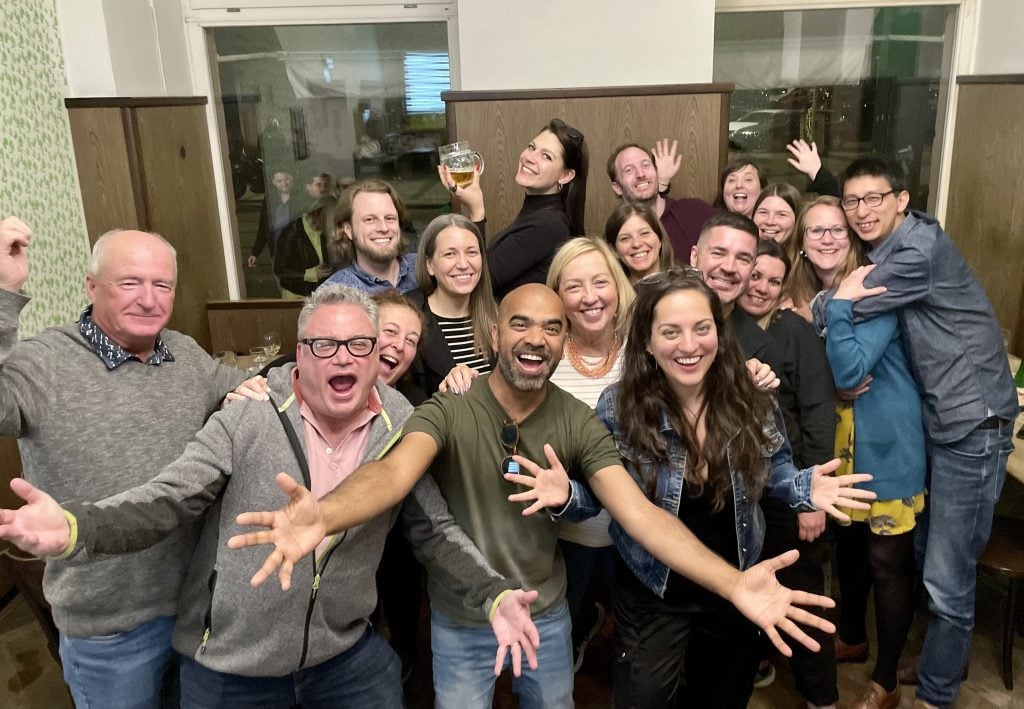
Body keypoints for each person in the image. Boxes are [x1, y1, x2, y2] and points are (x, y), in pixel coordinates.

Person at [225, 284, 873, 708]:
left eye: (551, 326)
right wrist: (325, 511)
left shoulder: (578, 416)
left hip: (557, 608)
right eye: (520, 323)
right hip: (468, 618)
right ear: (494, 334)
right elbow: (395, 475)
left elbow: (642, 512)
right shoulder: (452, 405)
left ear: (565, 340)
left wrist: (739, 576)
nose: (535, 336)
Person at [0, 285, 541, 707]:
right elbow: (168, 499)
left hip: (342, 653)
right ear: (300, 353)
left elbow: (433, 529)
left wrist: (492, 593)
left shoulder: (402, 425)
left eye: (359, 345)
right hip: (229, 662)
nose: (343, 359)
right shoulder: (248, 415)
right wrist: (77, 527)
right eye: (324, 345)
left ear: (379, 355)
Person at [0, 218, 253, 708]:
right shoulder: (45, 361)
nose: (148, 298)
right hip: (109, 626)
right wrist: (3, 292)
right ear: (92, 286)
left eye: (162, 284)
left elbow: (239, 385)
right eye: (129, 283)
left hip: (196, 605)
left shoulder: (184, 352)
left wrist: (255, 387)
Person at [594, 268, 871, 707]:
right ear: (647, 341)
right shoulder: (617, 406)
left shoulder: (750, 395)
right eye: (671, 332)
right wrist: (566, 497)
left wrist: (803, 488)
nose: (689, 346)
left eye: (702, 328)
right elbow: (607, 495)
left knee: (722, 695)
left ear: (719, 335)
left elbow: (773, 469)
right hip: (654, 587)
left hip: (740, 578)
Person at [823, 159, 1017, 708]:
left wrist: (826, 303)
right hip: (943, 420)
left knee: (947, 575)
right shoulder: (894, 246)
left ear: (901, 200)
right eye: (851, 202)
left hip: (972, 421)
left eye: (874, 199)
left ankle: (935, 694)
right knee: (929, 555)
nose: (862, 211)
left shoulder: (914, 253)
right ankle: (939, 662)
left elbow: (847, 311)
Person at [739, 239, 838, 708]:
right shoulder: (718, 327)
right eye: (753, 275)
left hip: (791, 485)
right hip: (740, 490)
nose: (759, 287)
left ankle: (821, 696)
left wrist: (810, 497)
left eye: (772, 281)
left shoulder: (795, 331)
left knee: (801, 595)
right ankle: (755, 661)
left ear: (783, 290)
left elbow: (819, 411)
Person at [545, 237, 635, 670]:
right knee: (561, 636)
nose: (590, 297)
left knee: (636, 650)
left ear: (618, 289)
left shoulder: (647, 351)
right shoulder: (541, 357)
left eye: (600, 282)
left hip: (636, 530)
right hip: (565, 534)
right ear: (557, 296)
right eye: (574, 286)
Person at [442, 118, 588, 299]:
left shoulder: (548, 224)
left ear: (566, 175)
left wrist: (477, 211)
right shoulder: (540, 212)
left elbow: (480, 280)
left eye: (546, 156)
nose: (529, 157)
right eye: (532, 147)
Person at [412, 214, 497, 395]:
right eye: (450, 254)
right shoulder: (410, 317)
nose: (463, 264)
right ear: (429, 265)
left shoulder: (498, 314)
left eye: (471, 252)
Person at [606, 140, 715, 258]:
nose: (641, 174)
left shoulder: (696, 212)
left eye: (646, 165)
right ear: (617, 188)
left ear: (656, 172)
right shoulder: (617, 234)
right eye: (629, 170)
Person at [321, 179, 418, 294]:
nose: (384, 228)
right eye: (369, 219)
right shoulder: (334, 295)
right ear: (348, 230)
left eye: (389, 218)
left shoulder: (427, 269)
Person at [273, 195, 334, 298]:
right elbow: (280, 270)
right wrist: (311, 274)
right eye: (329, 220)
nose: (330, 224)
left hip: (317, 295)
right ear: (318, 216)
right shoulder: (291, 233)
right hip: (296, 296)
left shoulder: (322, 232)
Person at [604, 202, 675, 283]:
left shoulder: (684, 289)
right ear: (614, 250)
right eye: (625, 238)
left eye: (644, 233)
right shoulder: (610, 294)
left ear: (660, 239)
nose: (636, 244)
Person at [248, 168, 300, 268]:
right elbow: (263, 228)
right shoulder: (269, 200)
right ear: (273, 182)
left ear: (292, 178)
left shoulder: (301, 199)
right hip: (276, 253)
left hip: (298, 254)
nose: (284, 183)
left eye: (287, 179)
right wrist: (255, 253)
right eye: (279, 181)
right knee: (281, 281)